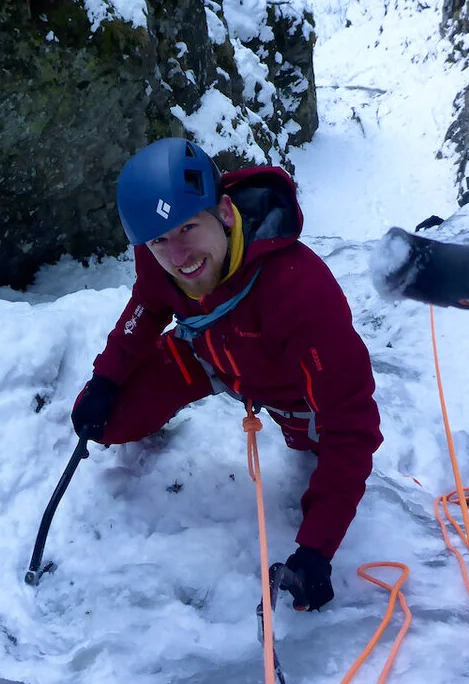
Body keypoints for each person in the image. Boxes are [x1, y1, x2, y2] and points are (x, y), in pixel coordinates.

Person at [70, 137, 383, 611]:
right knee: (104, 420)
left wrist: (316, 552)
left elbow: (352, 425)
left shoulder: (300, 293)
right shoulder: (159, 253)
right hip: (210, 355)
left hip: (291, 393)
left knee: (320, 459)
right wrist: (105, 380)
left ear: (226, 214)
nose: (178, 257)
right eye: (158, 241)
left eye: (188, 229)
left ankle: (298, 439)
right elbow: (148, 305)